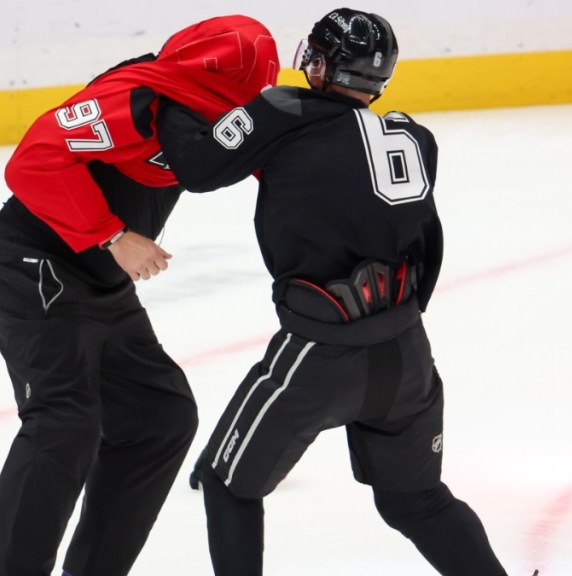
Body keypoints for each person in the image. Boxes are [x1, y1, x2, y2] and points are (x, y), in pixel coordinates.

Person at [158, 8, 517, 576]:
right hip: (406, 354)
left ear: (321, 63)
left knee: (229, 484)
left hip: (319, 353)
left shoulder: (281, 109)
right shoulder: (415, 138)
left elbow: (198, 166)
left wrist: (165, 91)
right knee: (414, 500)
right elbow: (427, 242)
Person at [0, 15, 279, 576]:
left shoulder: (213, 110)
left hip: (96, 279)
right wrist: (111, 235)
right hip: (34, 265)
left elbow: (273, 156)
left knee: (160, 416)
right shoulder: (136, 101)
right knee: (64, 424)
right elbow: (33, 159)